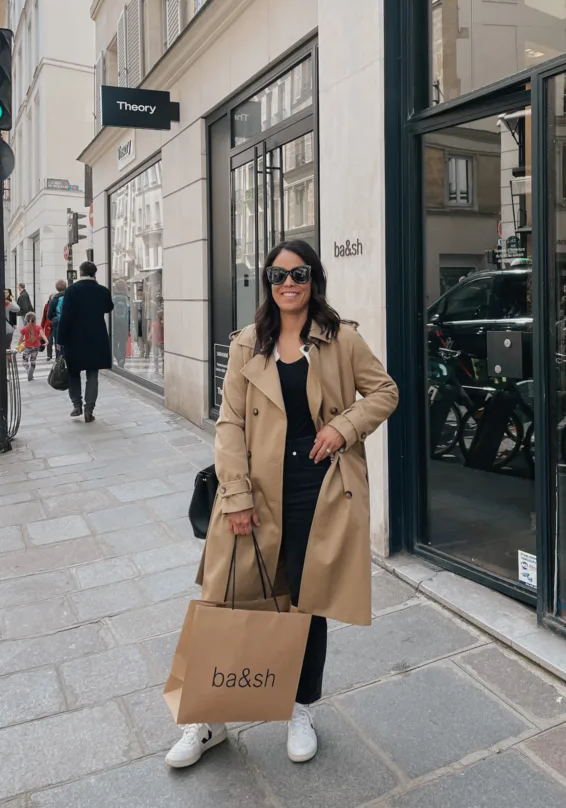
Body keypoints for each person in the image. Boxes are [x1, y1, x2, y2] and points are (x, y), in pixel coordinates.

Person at [165, 240, 398, 770]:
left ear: (315, 279)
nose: (288, 283)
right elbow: (230, 423)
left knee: (307, 602)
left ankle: (301, 707)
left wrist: (343, 427)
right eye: (277, 275)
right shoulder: (249, 344)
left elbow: (385, 392)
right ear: (267, 283)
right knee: (227, 599)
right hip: (255, 493)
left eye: (299, 274)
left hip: (319, 493)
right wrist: (238, 493)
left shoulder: (341, 341)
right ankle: (207, 720)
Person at [56, 261, 114, 422]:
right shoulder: (102, 290)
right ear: (94, 273)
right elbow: (109, 307)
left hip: (74, 338)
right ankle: (89, 409)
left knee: (74, 372)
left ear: (80, 273)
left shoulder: (72, 290)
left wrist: (60, 339)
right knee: (92, 374)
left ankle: (76, 405)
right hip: (96, 337)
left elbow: (65, 316)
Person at [19, 311, 45, 380]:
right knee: (33, 361)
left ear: (26, 320)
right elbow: (40, 336)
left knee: (25, 360)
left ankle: (28, 369)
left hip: (27, 347)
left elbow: (21, 339)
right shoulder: (38, 327)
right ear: (35, 320)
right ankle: (31, 374)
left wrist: (18, 347)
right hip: (36, 347)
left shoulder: (24, 328)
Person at [45, 280, 66, 360]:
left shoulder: (54, 299)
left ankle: (59, 360)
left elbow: (49, 315)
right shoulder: (70, 296)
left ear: (56, 288)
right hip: (69, 324)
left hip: (57, 324)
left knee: (58, 342)